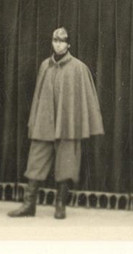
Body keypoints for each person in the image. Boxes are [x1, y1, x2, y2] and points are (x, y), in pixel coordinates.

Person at [8, 27, 104, 220]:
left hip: (68, 125)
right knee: (35, 163)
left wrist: (80, 123)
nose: (58, 44)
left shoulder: (79, 68)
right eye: (55, 40)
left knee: (66, 165)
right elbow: (38, 96)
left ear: (69, 44)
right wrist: (35, 120)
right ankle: (29, 205)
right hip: (45, 124)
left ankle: (60, 205)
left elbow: (88, 100)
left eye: (62, 41)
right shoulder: (45, 66)